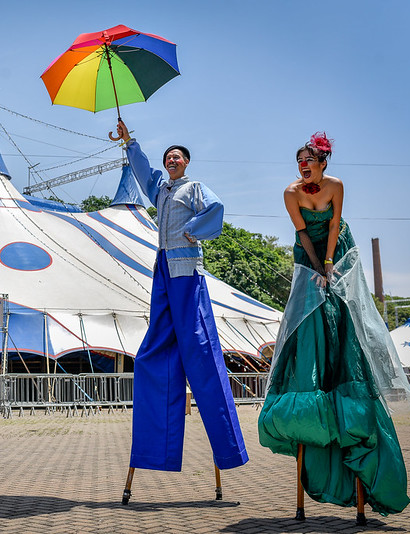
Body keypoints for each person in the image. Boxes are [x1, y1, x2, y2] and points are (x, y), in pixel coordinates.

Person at [257, 132, 410, 517]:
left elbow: (333, 225)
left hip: (338, 251)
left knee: (345, 320)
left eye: (308, 159)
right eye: (298, 160)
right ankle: (312, 403)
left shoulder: (335, 186)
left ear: (323, 162)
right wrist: (313, 268)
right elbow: (301, 233)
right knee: (308, 321)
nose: (302, 165)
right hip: (306, 254)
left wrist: (329, 266)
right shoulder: (291, 192)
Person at [117, 120, 249, 473]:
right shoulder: (161, 190)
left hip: (186, 270)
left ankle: (230, 449)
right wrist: (130, 142)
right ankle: (154, 453)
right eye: (168, 157)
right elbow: (144, 172)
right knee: (151, 356)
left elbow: (215, 210)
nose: (172, 160)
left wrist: (193, 231)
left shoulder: (194, 188)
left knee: (200, 352)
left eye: (177, 157)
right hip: (162, 269)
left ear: (186, 162)